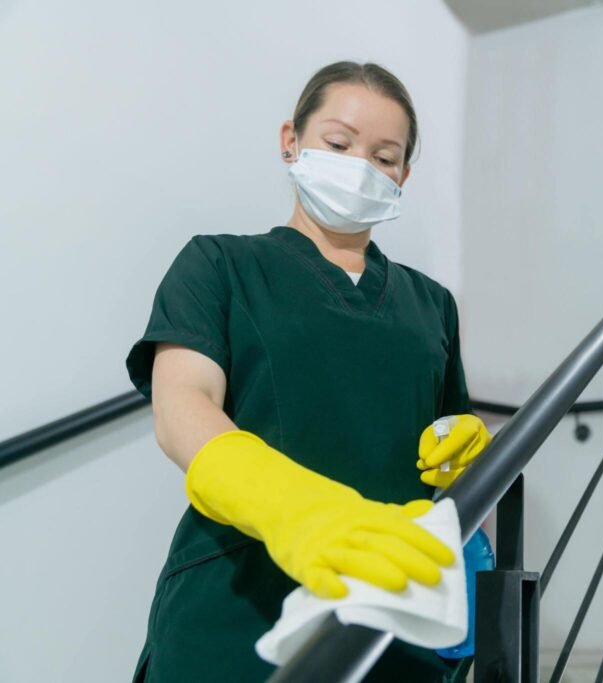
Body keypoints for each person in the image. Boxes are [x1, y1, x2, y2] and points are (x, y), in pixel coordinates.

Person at [125, 61, 491, 682]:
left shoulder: (432, 304)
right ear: (291, 141)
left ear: (403, 174)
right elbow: (181, 406)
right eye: (339, 143)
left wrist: (466, 448)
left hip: (390, 599)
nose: (360, 167)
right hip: (237, 601)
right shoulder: (219, 265)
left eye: (384, 155)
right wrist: (295, 508)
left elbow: (445, 425)